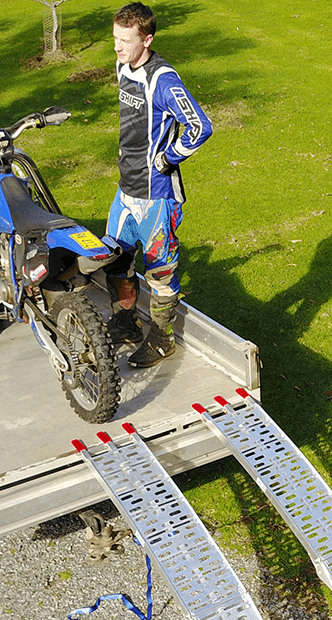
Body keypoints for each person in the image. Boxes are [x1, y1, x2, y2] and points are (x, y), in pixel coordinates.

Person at [103, 2, 213, 368]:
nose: (117, 48)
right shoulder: (123, 65)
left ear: (147, 39)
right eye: (115, 39)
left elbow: (201, 127)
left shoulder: (163, 79)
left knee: (160, 273)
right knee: (114, 262)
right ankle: (126, 324)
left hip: (156, 197)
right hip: (125, 189)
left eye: (125, 40)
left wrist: (169, 158)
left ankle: (162, 339)